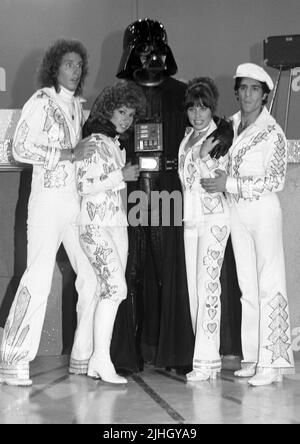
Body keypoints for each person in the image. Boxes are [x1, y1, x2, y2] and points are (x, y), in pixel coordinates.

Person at [0, 38, 98, 386]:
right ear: (54, 67)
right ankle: (12, 358)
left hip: (72, 204)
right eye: (69, 64)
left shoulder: (76, 107)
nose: (75, 70)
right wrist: (67, 154)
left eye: (79, 65)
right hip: (45, 203)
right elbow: (19, 148)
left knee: (92, 276)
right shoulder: (40, 101)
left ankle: (82, 355)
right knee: (38, 279)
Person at [201, 63, 295, 386]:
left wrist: (231, 184)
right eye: (243, 88)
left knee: (270, 284)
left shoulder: (273, 132)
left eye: (255, 89)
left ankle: (272, 363)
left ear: (265, 95)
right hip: (237, 212)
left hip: (263, 211)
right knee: (247, 288)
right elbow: (208, 155)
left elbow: (275, 180)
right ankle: (253, 356)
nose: (247, 95)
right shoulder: (231, 125)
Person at [111, 18, 195, 372]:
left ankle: (173, 353)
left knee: (169, 271)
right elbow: (98, 125)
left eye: (157, 49)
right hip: (132, 193)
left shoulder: (181, 94)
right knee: (131, 271)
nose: (152, 56)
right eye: (144, 50)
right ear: (132, 54)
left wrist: (222, 132)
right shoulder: (120, 95)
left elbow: (210, 118)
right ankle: (127, 354)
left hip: (166, 193)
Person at [78, 81, 144, 383]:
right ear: (108, 108)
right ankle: (100, 360)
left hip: (116, 225)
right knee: (116, 289)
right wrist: (121, 175)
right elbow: (84, 185)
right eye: (121, 111)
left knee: (112, 290)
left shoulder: (114, 143)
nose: (126, 119)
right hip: (95, 225)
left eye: (130, 114)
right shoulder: (93, 140)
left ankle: (96, 361)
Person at [178, 77, 233, 381]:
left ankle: (207, 360)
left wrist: (202, 158)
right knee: (194, 289)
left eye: (203, 108)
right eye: (192, 108)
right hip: (190, 220)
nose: (197, 114)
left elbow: (215, 180)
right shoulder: (187, 137)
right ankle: (203, 359)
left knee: (208, 285)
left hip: (213, 220)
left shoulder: (219, 137)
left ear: (212, 108)